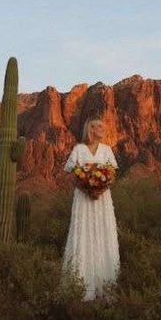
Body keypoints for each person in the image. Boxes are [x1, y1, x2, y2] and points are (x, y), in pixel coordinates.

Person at [62, 117, 120, 300]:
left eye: (103, 126)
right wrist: (86, 186)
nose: (101, 129)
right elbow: (72, 172)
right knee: (84, 233)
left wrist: (101, 187)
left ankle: (105, 285)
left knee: (103, 233)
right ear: (90, 129)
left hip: (102, 198)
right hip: (83, 198)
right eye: (98, 126)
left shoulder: (107, 150)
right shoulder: (79, 149)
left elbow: (112, 174)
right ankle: (81, 286)